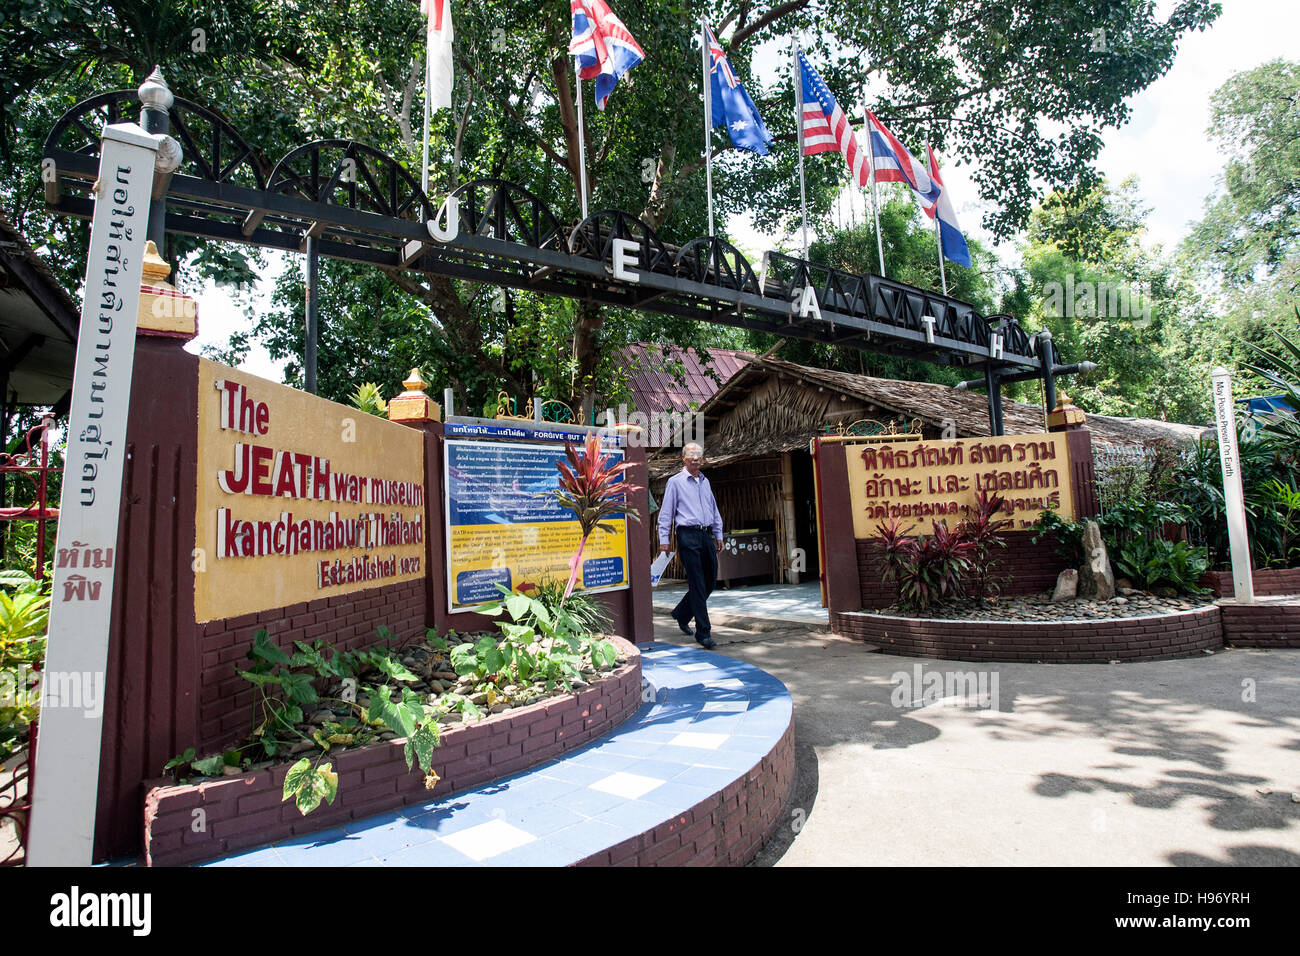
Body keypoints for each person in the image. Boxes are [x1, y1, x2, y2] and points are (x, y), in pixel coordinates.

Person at [658, 442, 724, 649]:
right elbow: (666, 513)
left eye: (699, 455)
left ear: (702, 459)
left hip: (705, 535)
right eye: (691, 455)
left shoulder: (705, 481)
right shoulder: (675, 482)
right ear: (684, 458)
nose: (695, 459)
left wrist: (718, 533)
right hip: (687, 535)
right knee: (697, 582)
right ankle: (703, 633)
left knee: (710, 580)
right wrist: (664, 540)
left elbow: (714, 509)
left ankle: (682, 613)